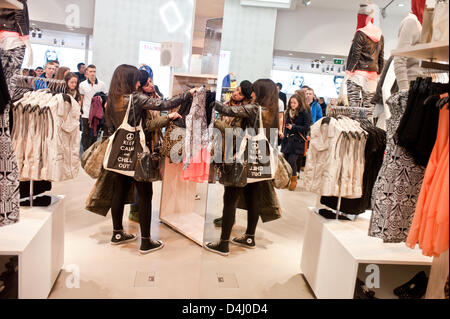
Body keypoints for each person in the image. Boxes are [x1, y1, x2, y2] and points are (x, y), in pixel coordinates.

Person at [104, 64, 194, 254]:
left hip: (119, 152)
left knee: (119, 191)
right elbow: (164, 104)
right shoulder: (135, 98)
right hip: (138, 152)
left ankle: (117, 233)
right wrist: (188, 94)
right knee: (145, 195)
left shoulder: (112, 99)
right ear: (129, 79)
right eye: (136, 79)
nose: (139, 82)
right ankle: (146, 241)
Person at [205, 79, 281, 256]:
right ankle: (249, 237)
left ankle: (223, 244)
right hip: (260, 159)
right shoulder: (272, 111)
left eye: (254, 91)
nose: (252, 94)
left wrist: (210, 99)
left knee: (230, 198)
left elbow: (227, 109)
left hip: (244, 158)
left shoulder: (255, 109)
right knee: (254, 197)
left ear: (260, 92)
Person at [212, 80, 253, 228]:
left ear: (246, 97)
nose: (235, 93)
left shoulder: (244, 111)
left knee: (231, 190)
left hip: (235, 151)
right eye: (236, 90)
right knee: (227, 187)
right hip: (223, 149)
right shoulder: (228, 105)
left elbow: (234, 133)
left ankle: (228, 219)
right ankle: (227, 216)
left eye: (240, 93)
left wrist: (216, 123)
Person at [281, 93, 311, 191]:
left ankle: (294, 179)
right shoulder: (288, 112)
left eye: (294, 102)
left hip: (297, 141)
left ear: (299, 103)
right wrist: (284, 135)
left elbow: (306, 127)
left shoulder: (304, 113)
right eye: (291, 102)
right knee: (286, 161)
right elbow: (285, 125)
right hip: (287, 140)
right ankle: (287, 179)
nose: (292, 104)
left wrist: (294, 127)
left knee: (292, 160)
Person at [79, 64, 107, 152]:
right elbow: (81, 99)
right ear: (87, 72)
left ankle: (92, 152)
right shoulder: (82, 84)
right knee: (86, 134)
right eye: (90, 71)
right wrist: (79, 111)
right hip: (86, 113)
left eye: (94, 71)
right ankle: (85, 151)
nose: (92, 73)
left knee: (95, 134)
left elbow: (106, 97)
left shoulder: (102, 84)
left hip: (97, 114)